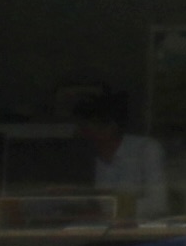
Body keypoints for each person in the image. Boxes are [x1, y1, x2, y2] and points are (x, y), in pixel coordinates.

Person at [63, 85, 175, 220]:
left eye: (85, 128)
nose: (79, 134)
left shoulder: (146, 150)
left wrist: (107, 212)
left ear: (110, 127)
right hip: (90, 234)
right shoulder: (83, 159)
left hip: (140, 235)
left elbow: (158, 205)